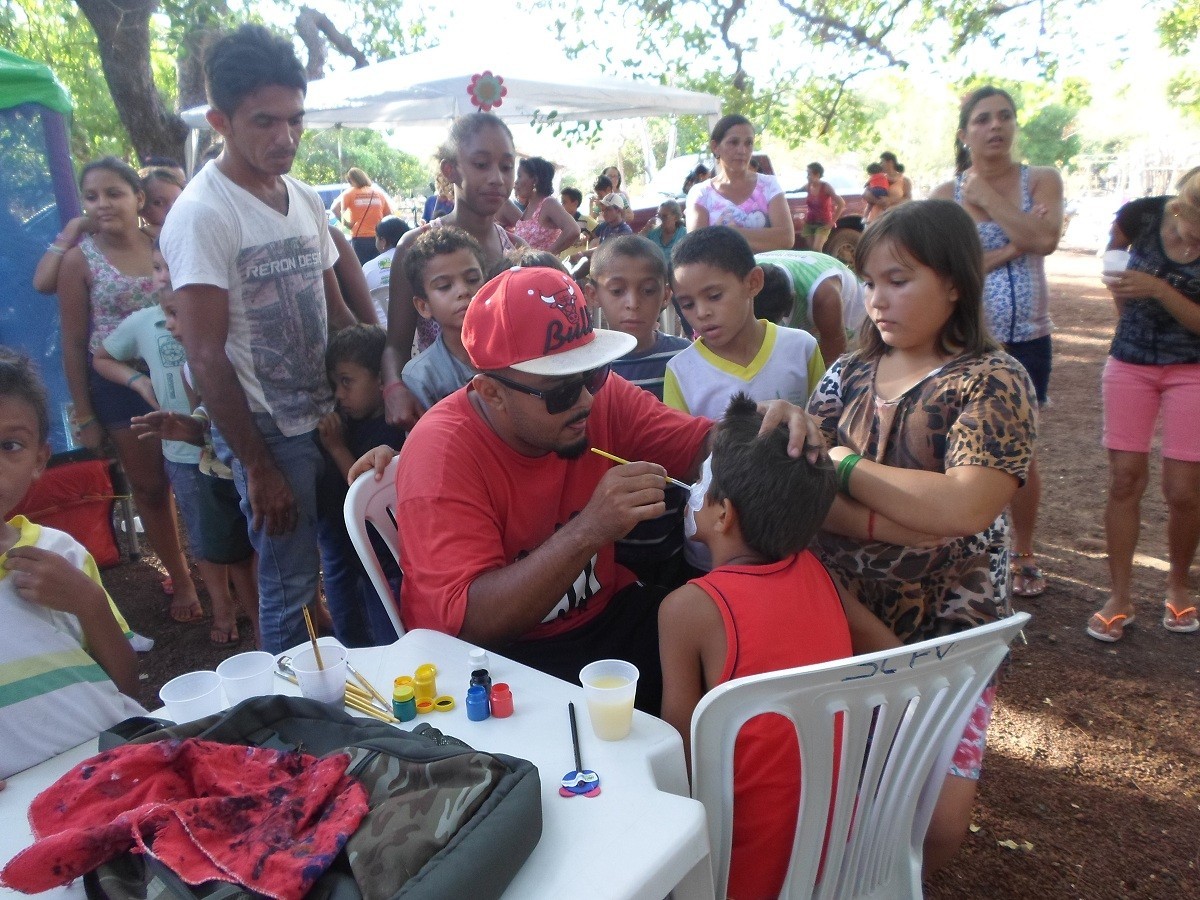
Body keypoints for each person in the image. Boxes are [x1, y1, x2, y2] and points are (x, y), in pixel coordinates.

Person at [351, 265, 819, 714]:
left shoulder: (596, 397)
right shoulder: (444, 454)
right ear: (492, 392)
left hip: (604, 617)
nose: (586, 400)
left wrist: (766, 428)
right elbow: (468, 628)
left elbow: (700, 445)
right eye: (559, 391)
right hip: (499, 663)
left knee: (743, 643)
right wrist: (589, 530)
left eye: (593, 373)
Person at [807, 199, 1036, 873]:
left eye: (898, 280)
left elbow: (966, 506)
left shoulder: (994, 380)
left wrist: (845, 467)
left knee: (935, 826)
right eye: (869, 282)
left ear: (955, 282)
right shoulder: (847, 373)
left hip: (950, 630)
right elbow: (799, 489)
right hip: (840, 615)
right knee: (840, 791)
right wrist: (894, 520)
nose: (876, 300)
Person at [160, 23, 356, 654]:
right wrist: (256, 464)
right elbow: (204, 354)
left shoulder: (303, 198)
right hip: (267, 431)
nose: (285, 137)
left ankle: (356, 685)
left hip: (328, 416)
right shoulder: (203, 213)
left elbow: (336, 310)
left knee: (350, 559)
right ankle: (287, 714)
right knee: (289, 589)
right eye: (265, 122)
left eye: (295, 120)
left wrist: (380, 380)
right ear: (220, 121)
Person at [658, 392, 850, 900]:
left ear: (723, 514)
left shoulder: (686, 610)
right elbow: (889, 655)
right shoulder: (815, 570)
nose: (692, 490)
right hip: (835, 851)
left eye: (702, 482)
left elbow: (679, 761)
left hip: (737, 873)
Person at [54, 156, 203, 622]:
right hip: (119, 384)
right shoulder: (79, 261)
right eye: (91, 196)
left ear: (138, 198)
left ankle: (220, 567)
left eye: (114, 193)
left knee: (204, 471)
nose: (102, 204)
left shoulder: (165, 242)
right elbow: (73, 343)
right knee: (151, 486)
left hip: (181, 371)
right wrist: (85, 414)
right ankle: (181, 578)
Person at [931, 85, 1063, 599]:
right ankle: (959, 547)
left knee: (1020, 453)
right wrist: (1015, 243)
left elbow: (1045, 241)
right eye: (983, 119)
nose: (996, 126)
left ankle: (1024, 552)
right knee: (954, 445)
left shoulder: (1041, 179)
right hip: (962, 338)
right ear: (964, 134)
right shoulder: (945, 196)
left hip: (1028, 337)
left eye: (1005, 116)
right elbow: (943, 272)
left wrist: (987, 199)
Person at [94, 251, 260, 645]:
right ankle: (223, 607)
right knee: (210, 537)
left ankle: (268, 615)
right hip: (191, 459)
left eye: (171, 263)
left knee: (253, 535)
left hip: (239, 454)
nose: (171, 325)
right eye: (157, 266)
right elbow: (101, 356)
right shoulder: (146, 323)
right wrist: (139, 382)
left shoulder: (229, 324)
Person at [0, 350, 145, 780]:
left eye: (9, 446)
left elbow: (124, 685)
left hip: (112, 771)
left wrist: (90, 603)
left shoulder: (61, 553)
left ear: (39, 460)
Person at [1086, 170, 1200, 641]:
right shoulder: (1142, 215)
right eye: (1193, 228)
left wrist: (1157, 289)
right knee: (1124, 479)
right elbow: (1115, 246)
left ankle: (1178, 585)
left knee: (1184, 491)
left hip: (1192, 369)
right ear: (1181, 208)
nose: (1193, 241)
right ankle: (1119, 595)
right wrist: (1119, 291)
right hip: (1130, 363)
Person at [381, 112, 525, 430]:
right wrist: (393, 388)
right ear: (451, 170)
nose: (497, 178)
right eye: (481, 164)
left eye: (506, 166)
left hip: (510, 412)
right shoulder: (416, 246)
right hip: (442, 407)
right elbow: (395, 344)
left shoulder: (516, 249)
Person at [586, 235, 691, 586]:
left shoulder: (685, 358)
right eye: (617, 291)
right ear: (593, 294)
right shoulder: (584, 367)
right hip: (606, 542)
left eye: (647, 291)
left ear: (666, 295)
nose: (633, 304)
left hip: (675, 531)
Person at [664, 226, 825, 417]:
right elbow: (680, 436)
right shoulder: (681, 371)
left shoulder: (801, 347)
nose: (701, 313)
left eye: (714, 296)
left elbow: (824, 424)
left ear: (753, 282)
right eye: (688, 304)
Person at [316, 325, 405, 646]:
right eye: (334, 384)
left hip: (384, 559)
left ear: (381, 379)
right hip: (349, 551)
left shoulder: (390, 430)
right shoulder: (350, 422)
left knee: (386, 629)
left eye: (347, 381)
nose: (339, 395)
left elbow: (365, 489)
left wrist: (337, 448)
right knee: (353, 615)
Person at [400, 227, 487, 410]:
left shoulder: (516, 351)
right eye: (444, 286)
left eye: (472, 279)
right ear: (423, 306)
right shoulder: (421, 376)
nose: (463, 291)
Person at [686, 114, 794, 252]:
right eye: (734, 142)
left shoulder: (768, 185)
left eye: (748, 143)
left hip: (765, 267)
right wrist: (762, 238)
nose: (742, 150)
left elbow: (786, 238)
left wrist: (727, 234)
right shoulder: (701, 194)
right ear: (715, 147)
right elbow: (696, 247)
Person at [755, 249, 867, 364]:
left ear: (791, 302)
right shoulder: (748, 273)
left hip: (855, 325)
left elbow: (834, 358)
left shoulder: (824, 296)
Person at [511, 157, 580, 255]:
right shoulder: (530, 206)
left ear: (535, 180)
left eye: (519, 176)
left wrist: (547, 255)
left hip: (541, 265)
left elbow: (573, 230)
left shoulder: (548, 203)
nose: (516, 182)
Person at [332, 167, 393, 264]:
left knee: (362, 267)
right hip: (378, 237)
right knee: (379, 265)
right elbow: (389, 215)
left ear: (352, 180)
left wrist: (348, 224)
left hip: (359, 237)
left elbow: (334, 209)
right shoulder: (378, 193)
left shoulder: (350, 193)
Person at [361, 215, 411, 326]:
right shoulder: (418, 261)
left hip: (379, 329)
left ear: (383, 241)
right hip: (414, 330)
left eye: (376, 238)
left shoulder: (368, 267)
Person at [803, 162, 845, 253]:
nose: (807, 177)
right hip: (809, 222)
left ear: (817, 175)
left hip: (823, 223)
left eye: (809, 174)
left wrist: (832, 221)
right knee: (811, 251)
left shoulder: (826, 187)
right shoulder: (808, 186)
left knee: (817, 249)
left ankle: (822, 262)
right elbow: (794, 191)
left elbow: (841, 203)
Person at [138, 167, 185, 240]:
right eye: (158, 203)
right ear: (142, 208)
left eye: (178, 200)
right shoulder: (138, 240)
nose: (172, 209)